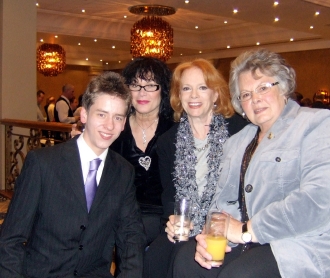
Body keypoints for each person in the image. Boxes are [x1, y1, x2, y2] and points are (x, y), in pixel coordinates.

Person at [173, 49, 330, 278]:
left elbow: (319, 199)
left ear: (284, 87)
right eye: (245, 95)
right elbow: (221, 204)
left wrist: (248, 230)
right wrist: (210, 236)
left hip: (298, 244)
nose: (255, 99)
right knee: (188, 260)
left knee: (241, 274)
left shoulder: (316, 124)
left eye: (263, 88)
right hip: (245, 243)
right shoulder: (238, 141)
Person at [0, 71, 147, 277]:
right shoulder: (42, 164)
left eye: (118, 117)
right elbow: (10, 240)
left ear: (124, 124)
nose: (109, 125)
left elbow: (131, 237)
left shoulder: (123, 172)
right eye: (102, 114)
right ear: (84, 115)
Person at [143, 58, 247, 278]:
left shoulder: (239, 131)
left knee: (186, 259)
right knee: (155, 256)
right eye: (186, 89)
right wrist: (172, 220)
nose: (193, 96)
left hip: (226, 226)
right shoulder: (167, 141)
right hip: (187, 226)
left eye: (202, 88)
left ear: (216, 94)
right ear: (178, 96)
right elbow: (170, 197)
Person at [110, 57, 173, 245]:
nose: (141, 93)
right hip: (124, 212)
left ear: (163, 90)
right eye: (135, 85)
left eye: (151, 85)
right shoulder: (115, 127)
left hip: (164, 215)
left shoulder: (174, 130)